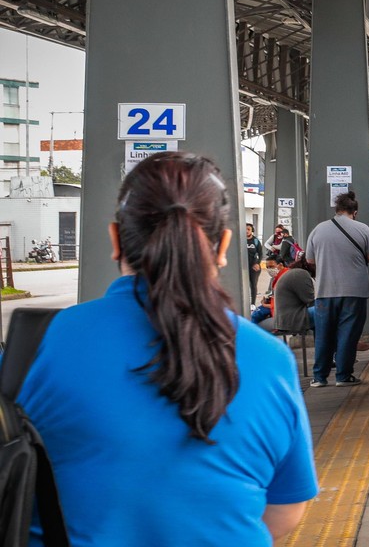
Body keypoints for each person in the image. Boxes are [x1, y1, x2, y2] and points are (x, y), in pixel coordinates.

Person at [8, 151, 317, 544]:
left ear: (116, 240)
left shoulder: (38, 346)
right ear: (222, 246)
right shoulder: (268, 357)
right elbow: (286, 507)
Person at [305, 191, 369, 388]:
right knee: (348, 333)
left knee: (324, 333)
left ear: (337, 210)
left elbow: (310, 260)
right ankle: (343, 376)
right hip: (354, 290)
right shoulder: (362, 228)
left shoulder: (318, 230)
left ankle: (319, 377)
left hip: (325, 290)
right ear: (354, 212)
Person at [274, 257, 317, 336]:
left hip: (286, 319)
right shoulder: (300, 274)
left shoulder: (295, 272)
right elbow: (311, 300)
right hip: (294, 319)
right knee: (328, 310)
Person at [251, 254, 286, 327]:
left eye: (271, 267)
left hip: (281, 311)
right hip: (275, 307)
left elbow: (286, 302)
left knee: (255, 316)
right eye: (267, 267)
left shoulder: (285, 278)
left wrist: (268, 305)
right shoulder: (275, 279)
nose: (269, 269)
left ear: (280, 265)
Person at [245, 222, 263, 307]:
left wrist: (257, 263)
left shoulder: (255, 241)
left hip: (254, 267)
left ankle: (253, 303)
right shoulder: (240, 240)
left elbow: (260, 254)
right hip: (243, 267)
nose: (246, 231)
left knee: (253, 284)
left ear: (252, 231)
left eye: (248, 229)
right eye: (245, 229)